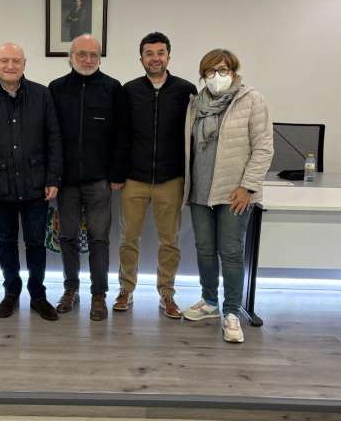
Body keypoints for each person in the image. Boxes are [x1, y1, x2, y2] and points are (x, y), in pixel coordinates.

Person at [182, 49, 273, 343]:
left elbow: (263, 148)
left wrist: (248, 187)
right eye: (210, 71)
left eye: (223, 70)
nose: (217, 76)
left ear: (234, 72)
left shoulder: (252, 100)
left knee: (231, 252)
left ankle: (232, 311)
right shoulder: (195, 104)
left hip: (235, 192)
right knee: (205, 249)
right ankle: (209, 301)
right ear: (203, 75)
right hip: (200, 191)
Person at [0, 42, 63, 321]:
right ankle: (11, 292)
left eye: (16, 61)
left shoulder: (42, 95)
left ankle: (38, 295)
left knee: (36, 243)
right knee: (6, 242)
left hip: (36, 185)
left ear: (24, 64)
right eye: (4, 60)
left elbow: (54, 138)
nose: (10, 66)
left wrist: (53, 178)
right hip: (0, 187)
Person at [115, 32, 197, 318]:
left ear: (168, 57)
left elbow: (193, 137)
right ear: (141, 59)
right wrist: (118, 173)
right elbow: (121, 135)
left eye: (160, 53)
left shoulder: (186, 91)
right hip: (134, 179)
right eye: (149, 53)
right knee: (129, 238)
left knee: (170, 241)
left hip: (170, 179)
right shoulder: (129, 91)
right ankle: (125, 290)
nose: (155, 58)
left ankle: (167, 294)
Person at [48, 34, 127, 321]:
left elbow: (121, 136)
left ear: (100, 58)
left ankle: (99, 294)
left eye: (94, 55)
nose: (88, 59)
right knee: (67, 237)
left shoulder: (113, 88)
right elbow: (50, 136)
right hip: (66, 181)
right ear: (70, 57)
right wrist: (52, 176)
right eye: (82, 54)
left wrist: (116, 174)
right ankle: (70, 289)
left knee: (99, 239)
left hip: (99, 181)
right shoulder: (56, 89)